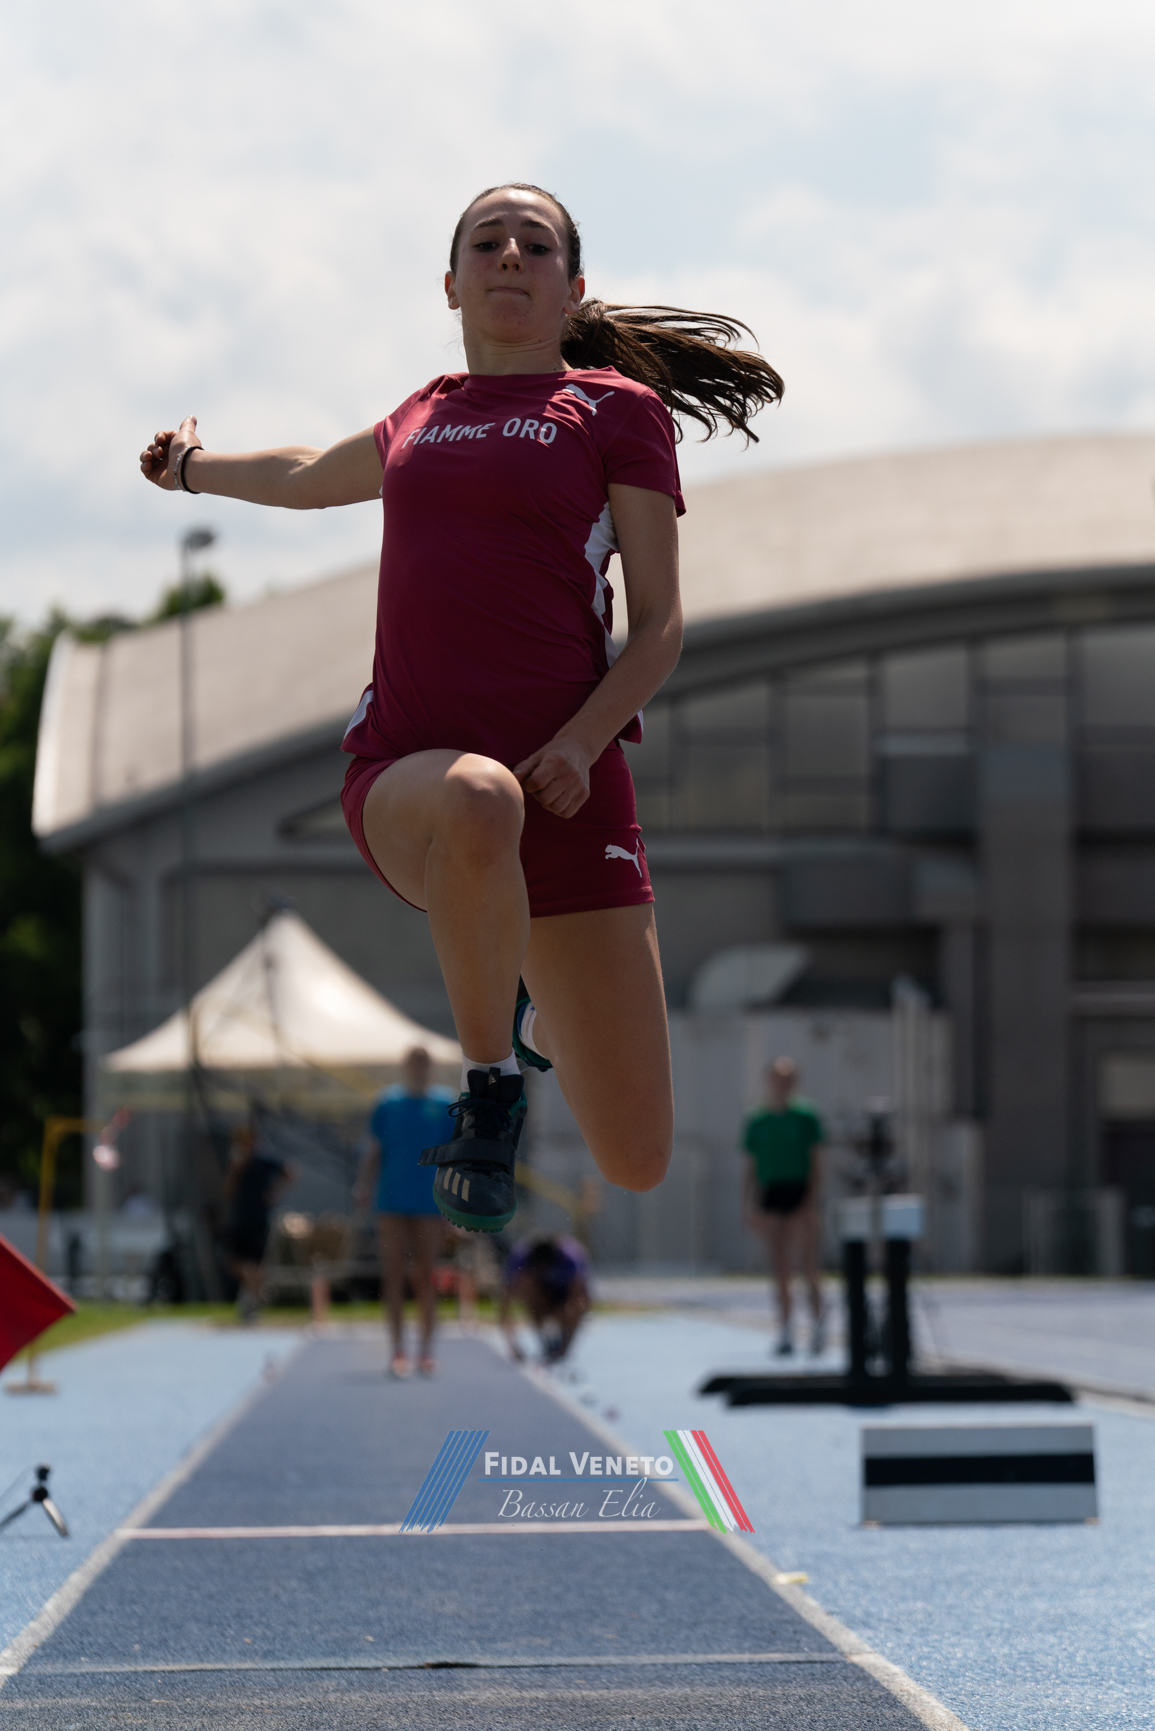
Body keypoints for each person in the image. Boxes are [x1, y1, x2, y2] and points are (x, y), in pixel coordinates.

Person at [141, 183, 782, 1238]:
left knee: (636, 1157)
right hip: (415, 780)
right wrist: (190, 469)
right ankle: (489, 1091)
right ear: (451, 284)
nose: (510, 255)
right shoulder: (420, 415)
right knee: (481, 800)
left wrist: (580, 743)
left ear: (573, 288)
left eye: (536, 244)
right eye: (488, 242)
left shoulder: (617, 412)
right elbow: (305, 474)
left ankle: (528, 1002)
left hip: (568, 787)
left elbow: (661, 624)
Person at [354, 1046, 454, 1377]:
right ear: (405, 1066)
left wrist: (456, 1200)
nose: (419, 1068)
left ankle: (426, 1352)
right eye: (414, 1062)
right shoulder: (388, 1103)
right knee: (393, 1275)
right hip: (392, 1201)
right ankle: (398, 1350)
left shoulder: (443, 1104)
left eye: (424, 1063)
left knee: (426, 1276)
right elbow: (374, 1149)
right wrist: (364, 1185)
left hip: (430, 1203)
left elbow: (452, 1155)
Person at [742, 1058, 826, 1357]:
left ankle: (817, 1326)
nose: (783, 1084)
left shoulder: (806, 1116)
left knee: (808, 1265)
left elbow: (816, 1163)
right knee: (780, 1268)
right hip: (770, 1195)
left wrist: (810, 1201)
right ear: (768, 1081)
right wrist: (749, 1205)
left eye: (788, 1079)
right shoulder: (757, 1120)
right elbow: (750, 1167)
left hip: (799, 1193)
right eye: (778, 1078)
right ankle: (785, 1329)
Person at [222, 1124, 295, 1322]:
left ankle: (254, 1302)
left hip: (258, 1218)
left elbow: (290, 1172)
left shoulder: (263, 1162)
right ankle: (256, 1293)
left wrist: (274, 1192)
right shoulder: (238, 1164)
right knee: (234, 1262)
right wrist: (236, 1169)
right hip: (240, 1219)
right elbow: (228, 1190)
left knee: (256, 1263)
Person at [500, 1233, 590, 1363]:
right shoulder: (520, 1259)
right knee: (527, 1285)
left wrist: (565, 1318)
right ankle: (544, 1338)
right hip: (540, 1291)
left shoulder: (571, 1258)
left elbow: (581, 1299)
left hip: (565, 1292)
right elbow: (504, 1307)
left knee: (576, 1308)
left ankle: (563, 1350)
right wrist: (513, 1346)